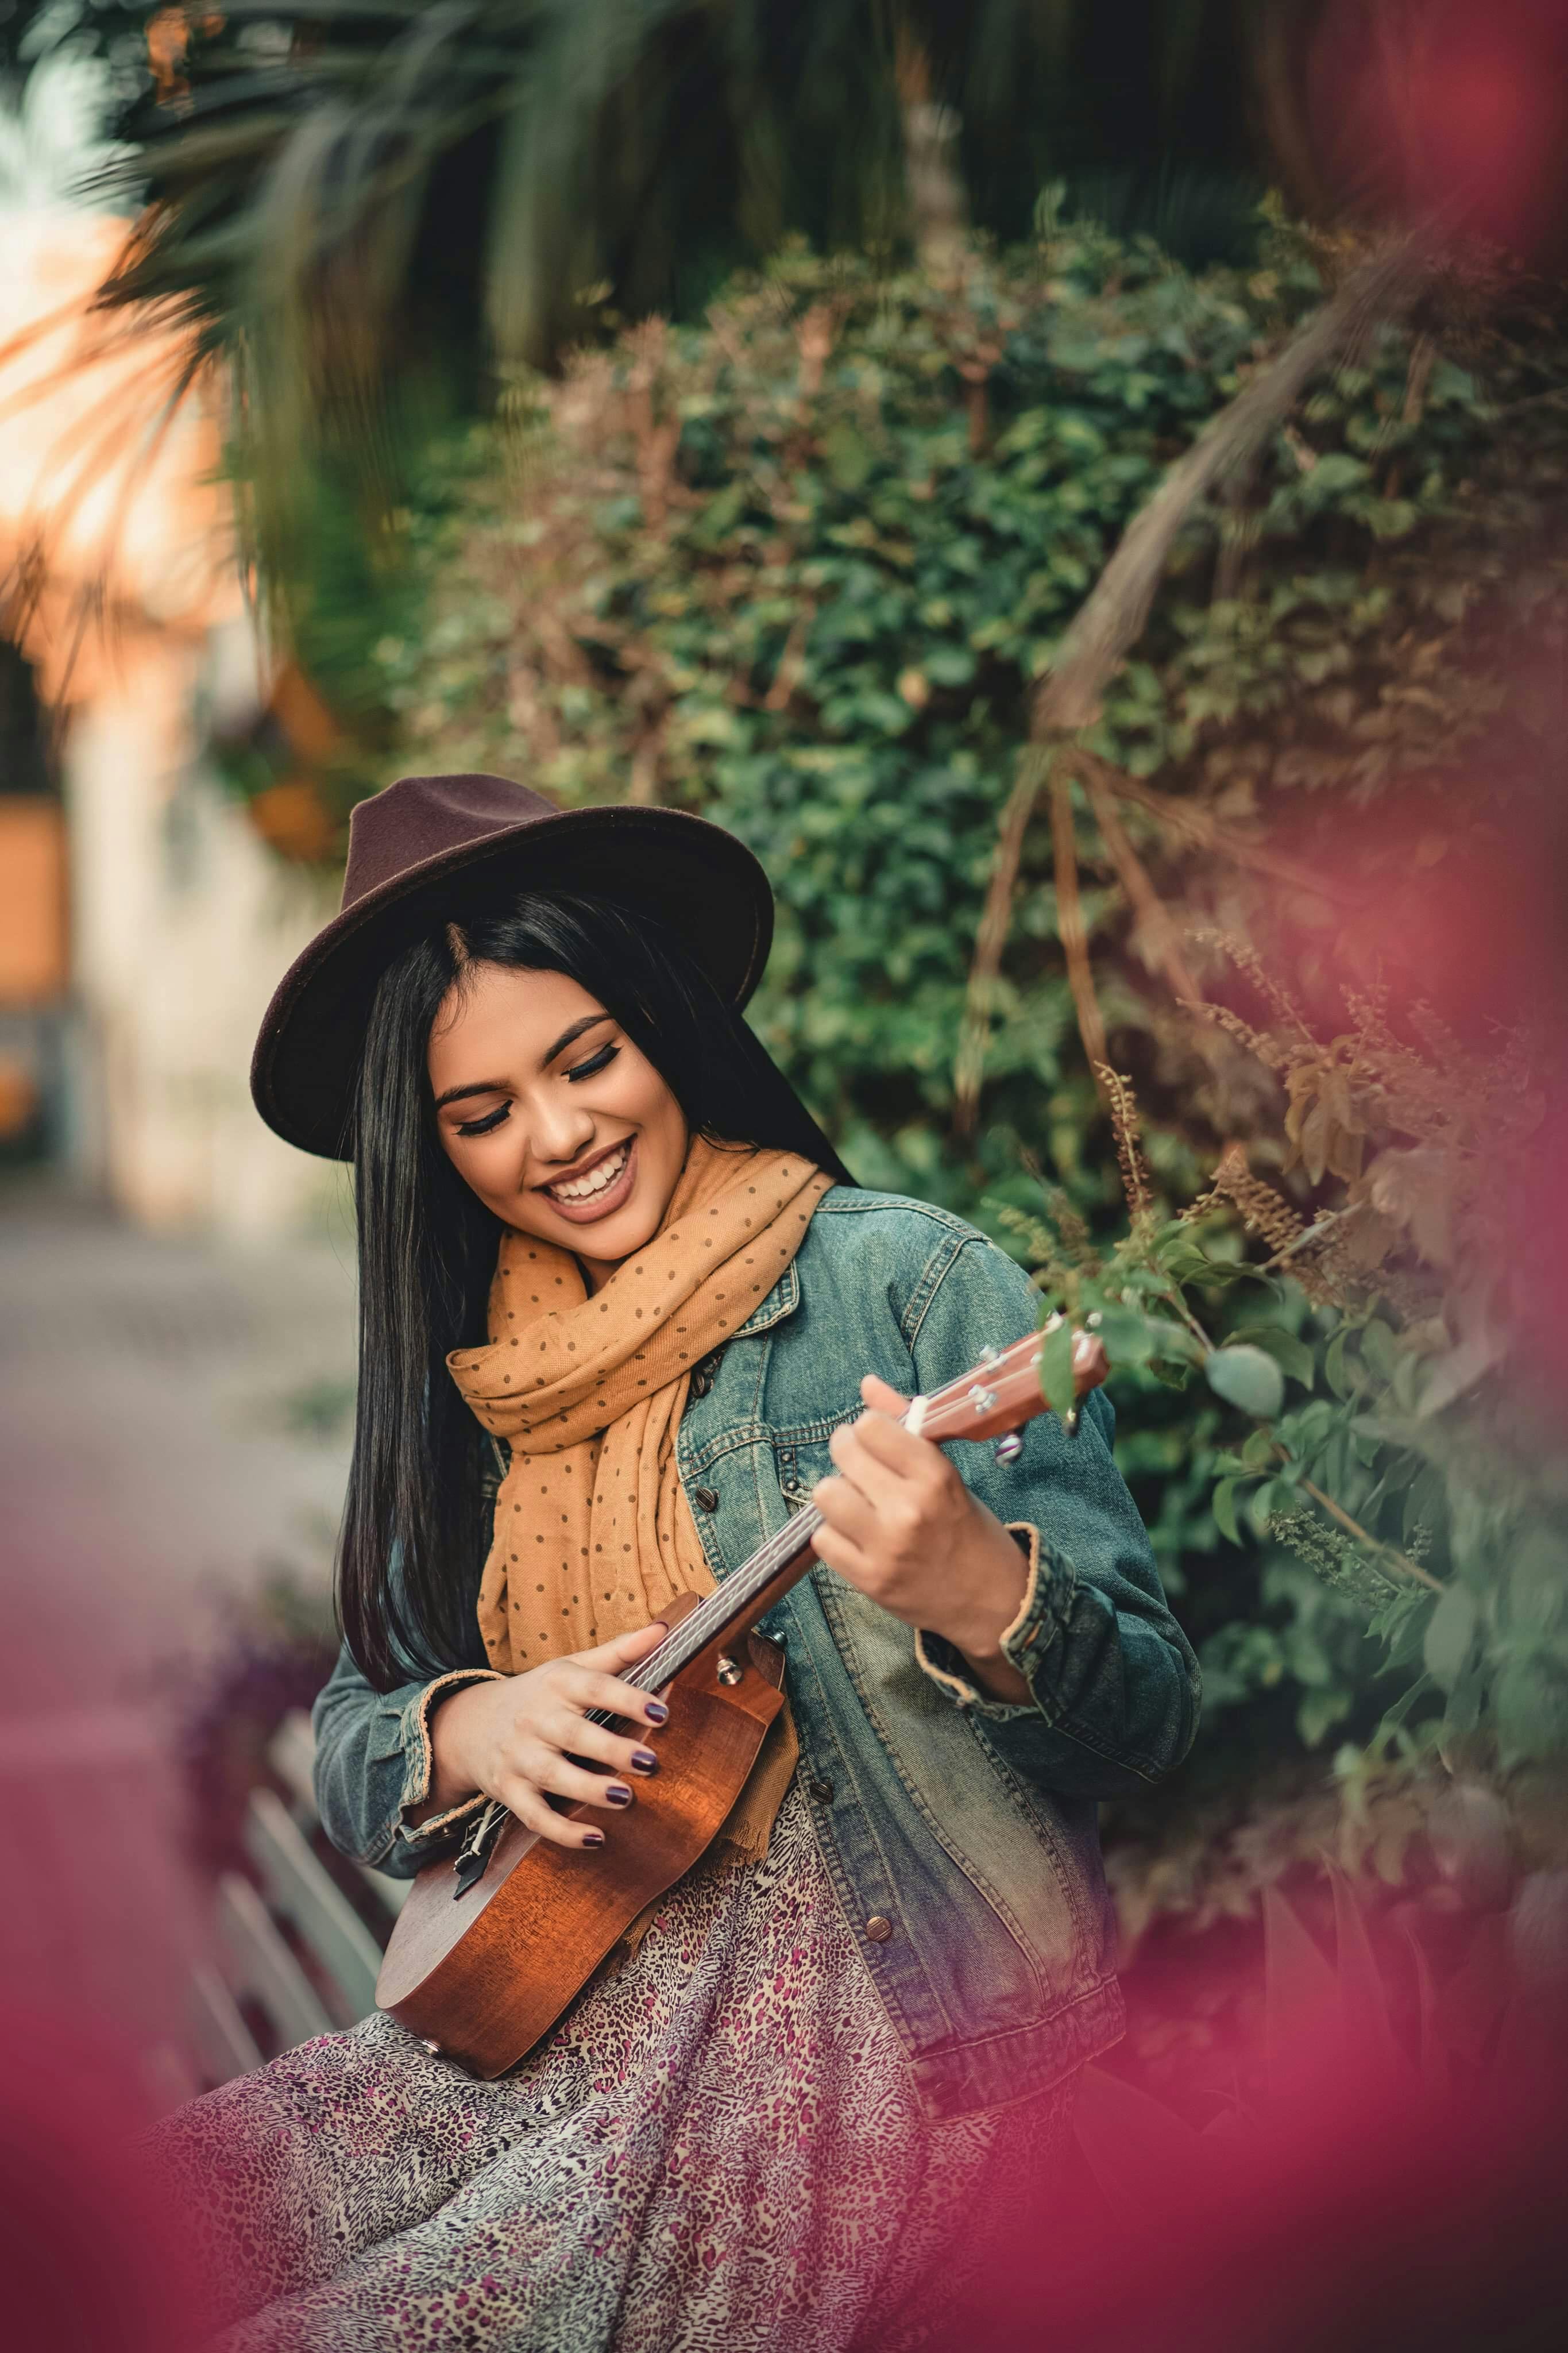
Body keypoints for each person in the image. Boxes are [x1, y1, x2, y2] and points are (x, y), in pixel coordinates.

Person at [152, 772, 1199, 2351]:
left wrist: (985, 1597)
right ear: (425, 1149)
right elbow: (362, 1732)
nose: (558, 1138)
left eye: (588, 1061)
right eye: (480, 1114)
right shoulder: (477, 1379)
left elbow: (1147, 1725)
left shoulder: (904, 1285)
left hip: (875, 2044)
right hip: (551, 2017)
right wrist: (467, 1728)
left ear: (664, 1027)